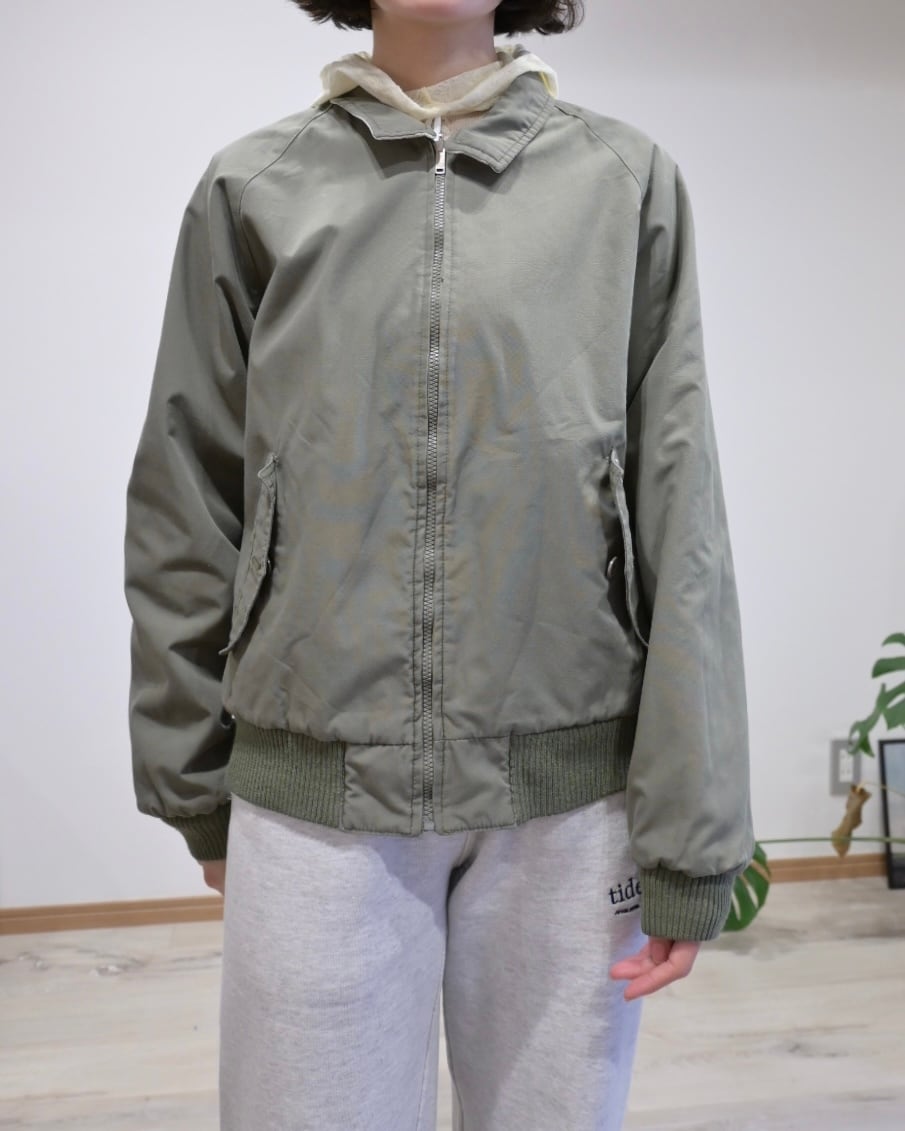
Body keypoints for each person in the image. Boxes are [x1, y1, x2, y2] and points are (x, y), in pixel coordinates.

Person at [123, 2, 755, 1127]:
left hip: (569, 796)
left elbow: (680, 511)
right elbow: (188, 496)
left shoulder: (622, 185)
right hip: (315, 793)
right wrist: (196, 783)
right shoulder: (253, 188)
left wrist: (691, 835)